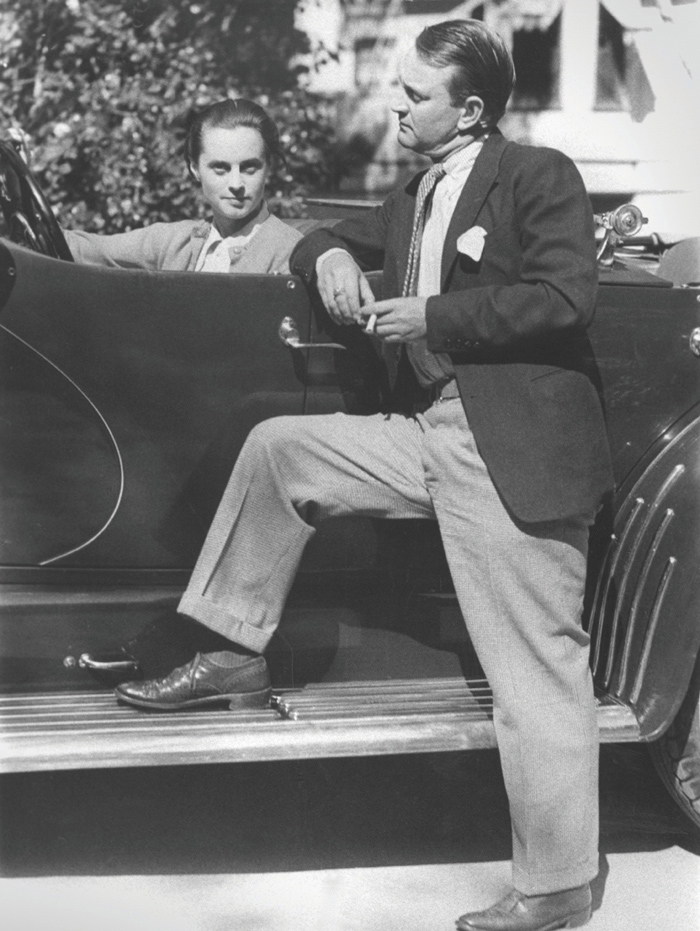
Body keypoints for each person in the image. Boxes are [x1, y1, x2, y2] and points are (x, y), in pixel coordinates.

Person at [94, 20, 613, 931]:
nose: (398, 105)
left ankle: (560, 882)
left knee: (535, 670)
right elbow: (327, 233)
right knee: (282, 446)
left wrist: (435, 316)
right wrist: (327, 252)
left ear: (472, 109)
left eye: (416, 95)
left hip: (507, 448)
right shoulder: (416, 192)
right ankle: (232, 644)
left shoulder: (539, 175)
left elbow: (569, 296)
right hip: (424, 433)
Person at [64, 98, 302, 274]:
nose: (236, 184)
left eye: (249, 168)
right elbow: (87, 249)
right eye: (220, 168)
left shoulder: (291, 251)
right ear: (195, 169)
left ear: (268, 167)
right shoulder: (173, 243)